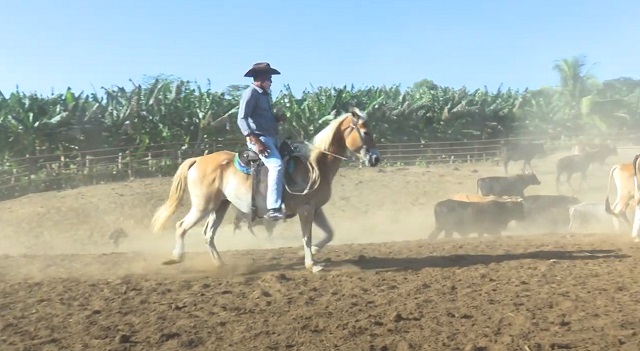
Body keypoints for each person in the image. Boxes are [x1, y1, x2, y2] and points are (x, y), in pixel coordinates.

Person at [237, 62, 287, 221]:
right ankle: (273, 208)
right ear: (262, 78)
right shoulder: (250, 93)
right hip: (259, 139)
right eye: (270, 78)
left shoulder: (264, 95)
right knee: (276, 165)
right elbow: (242, 119)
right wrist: (255, 140)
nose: (271, 81)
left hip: (270, 137)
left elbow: (260, 117)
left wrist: (275, 119)